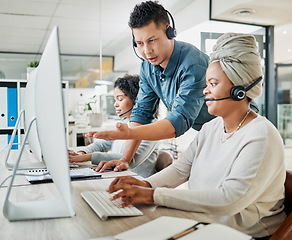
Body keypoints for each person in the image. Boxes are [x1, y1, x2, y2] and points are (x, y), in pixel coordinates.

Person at [105, 33, 286, 239]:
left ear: (239, 90)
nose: (205, 90)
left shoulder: (261, 135)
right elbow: (181, 169)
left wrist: (153, 195)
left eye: (213, 83)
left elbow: (229, 200)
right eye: (206, 83)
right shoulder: (212, 127)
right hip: (207, 222)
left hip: (243, 233)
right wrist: (145, 185)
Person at [87, 1, 215, 173]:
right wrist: (125, 159)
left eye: (152, 40)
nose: (147, 51)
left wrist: (129, 134)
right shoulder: (148, 67)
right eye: (139, 43)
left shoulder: (193, 64)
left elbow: (179, 121)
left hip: (236, 127)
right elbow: (142, 113)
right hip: (209, 131)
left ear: (170, 32)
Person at [69, 75, 159, 178]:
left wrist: (87, 157)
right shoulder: (124, 123)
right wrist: (82, 153)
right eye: (115, 100)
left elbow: (131, 160)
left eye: (120, 99)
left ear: (137, 100)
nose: (115, 105)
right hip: (118, 177)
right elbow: (102, 144)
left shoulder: (152, 128)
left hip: (138, 183)